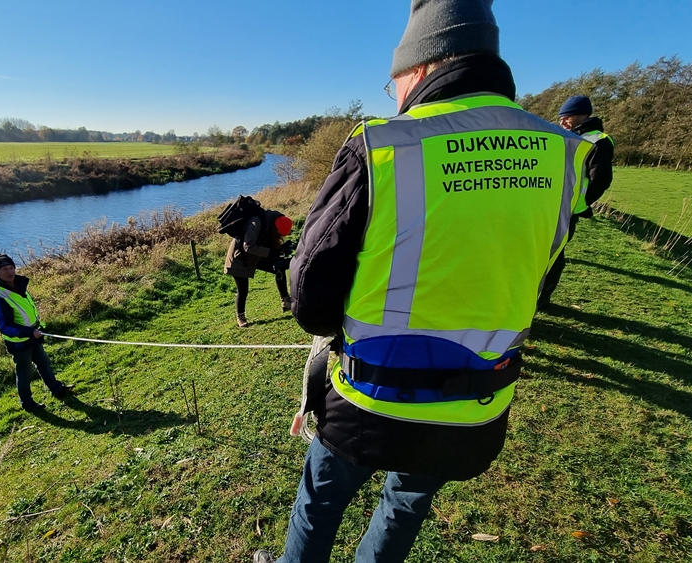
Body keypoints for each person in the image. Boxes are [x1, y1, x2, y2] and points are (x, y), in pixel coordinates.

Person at [254, 1, 593, 562]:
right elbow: (541, 263)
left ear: (419, 67)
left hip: (371, 398)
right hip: (478, 402)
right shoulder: (566, 152)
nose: (396, 96)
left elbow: (311, 293)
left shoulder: (384, 143)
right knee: (406, 504)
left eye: (394, 84)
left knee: (320, 501)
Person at [538, 94, 615, 308]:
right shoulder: (566, 136)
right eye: (561, 118)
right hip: (550, 205)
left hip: (567, 209)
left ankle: (542, 299)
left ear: (583, 115)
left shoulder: (598, 141)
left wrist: (580, 203)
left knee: (554, 256)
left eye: (567, 117)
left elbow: (600, 179)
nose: (562, 122)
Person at [0, 253, 72, 412]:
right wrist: (29, 332)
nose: (9, 271)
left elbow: (27, 310)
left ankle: (57, 389)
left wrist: (38, 327)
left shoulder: (19, 283)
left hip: (34, 334)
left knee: (44, 363)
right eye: (4, 269)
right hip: (19, 342)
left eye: (11, 267)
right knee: (25, 374)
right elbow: (5, 327)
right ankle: (27, 403)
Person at [224, 211, 294, 328]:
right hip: (239, 257)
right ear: (276, 227)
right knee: (243, 289)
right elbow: (248, 246)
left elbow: (267, 245)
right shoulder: (256, 222)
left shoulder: (269, 223)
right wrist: (272, 252)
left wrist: (280, 250)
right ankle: (240, 317)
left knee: (279, 267)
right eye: (279, 233)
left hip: (256, 256)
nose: (279, 236)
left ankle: (286, 301)